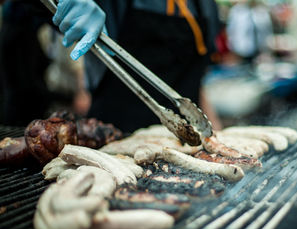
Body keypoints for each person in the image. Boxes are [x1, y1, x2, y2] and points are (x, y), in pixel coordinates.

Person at [25, 0, 222, 133]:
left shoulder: (205, 5)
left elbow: (196, 78)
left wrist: (215, 134)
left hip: (185, 141)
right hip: (113, 135)